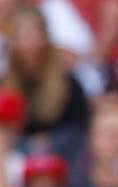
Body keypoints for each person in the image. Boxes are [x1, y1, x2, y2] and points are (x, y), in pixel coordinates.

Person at [2, 4, 89, 140]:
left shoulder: (67, 82)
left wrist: (49, 141)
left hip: (57, 152)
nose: (28, 43)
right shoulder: (3, 84)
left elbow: (78, 128)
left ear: (46, 38)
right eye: (20, 36)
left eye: (34, 35)